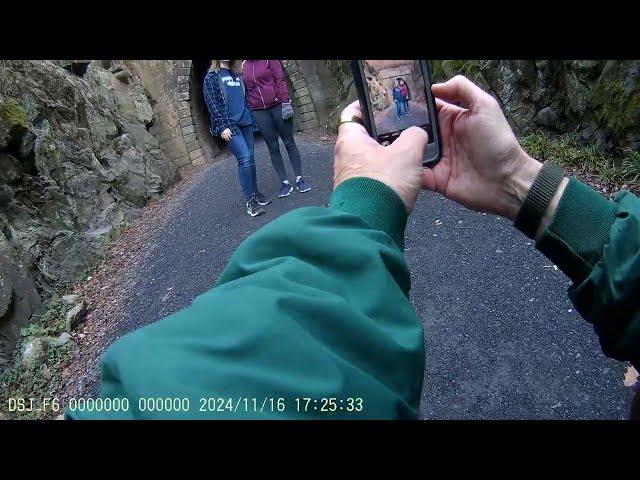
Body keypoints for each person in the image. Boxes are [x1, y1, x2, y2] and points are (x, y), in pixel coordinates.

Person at [67, 75, 640, 420]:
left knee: (282, 151)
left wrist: (364, 200)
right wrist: (520, 179)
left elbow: (197, 391)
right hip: (248, 125)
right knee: (250, 156)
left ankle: (289, 178)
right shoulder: (230, 77)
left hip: (276, 118)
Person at [203, 60, 270, 217]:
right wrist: (221, 126)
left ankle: (255, 192)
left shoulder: (237, 75)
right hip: (229, 126)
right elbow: (212, 104)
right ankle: (250, 201)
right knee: (245, 158)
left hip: (245, 122)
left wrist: (251, 118)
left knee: (251, 158)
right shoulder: (212, 77)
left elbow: (244, 99)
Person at [242, 60, 311, 198]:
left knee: (289, 142)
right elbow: (246, 89)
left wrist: (285, 102)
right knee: (272, 146)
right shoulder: (244, 65)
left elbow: (280, 80)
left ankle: (299, 178)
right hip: (259, 111)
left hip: (278, 105)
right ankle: (284, 183)